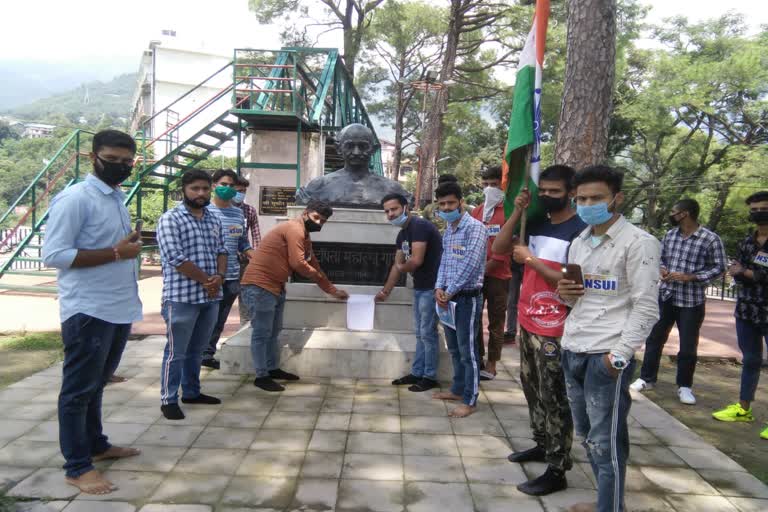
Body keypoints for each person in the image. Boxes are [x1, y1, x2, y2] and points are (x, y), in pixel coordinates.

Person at [42, 129, 143, 494]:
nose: (119, 167)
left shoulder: (114, 196)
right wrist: (117, 253)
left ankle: (96, 445)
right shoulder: (75, 199)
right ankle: (77, 466)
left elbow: (109, 246)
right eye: (111, 160)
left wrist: (124, 247)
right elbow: (54, 255)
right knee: (78, 390)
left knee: (96, 384)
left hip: (116, 307)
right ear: (93, 157)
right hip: (88, 309)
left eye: (126, 162)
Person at [556, 165, 660, 512]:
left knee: (607, 442)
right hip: (572, 348)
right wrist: (565, 293)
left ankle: (610, 508)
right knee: (586, 436)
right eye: (581, 198)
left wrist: (618, 358)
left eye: (596, 198)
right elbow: (576, 300)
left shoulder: (639, 243)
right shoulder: (579, 242)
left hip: (605, 357)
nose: (587, 204)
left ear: (617, 198)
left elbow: (646, 308)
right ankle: (607, 500)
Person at [492, 165, 586, 496]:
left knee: (554, 397)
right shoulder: (536, 223)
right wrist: (517, 211)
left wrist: (530, 260)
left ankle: (558, 468)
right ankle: (542, 443)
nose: (546, 196)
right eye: (542, 190)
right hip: (529, 321)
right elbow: (500, 249)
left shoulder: (581, 231)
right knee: (532, 388)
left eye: (554, 191)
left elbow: (575, 284)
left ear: (571, 192)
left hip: (558, 329)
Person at [241, 199, 349, 391]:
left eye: (323, 221)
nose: (319, 223)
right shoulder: (294, 229)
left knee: (274, 332)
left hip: (276, 287)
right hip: (259, 286)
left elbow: (314, 265)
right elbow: (299, 264)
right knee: (262, 333)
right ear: (306, 213)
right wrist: (316, 275)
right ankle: (261, 375)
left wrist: (333, 291)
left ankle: (272, 368)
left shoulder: (304, 236)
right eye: (316, 218)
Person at [630, 198, 727, 405]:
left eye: (674, 211)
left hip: (691, 301)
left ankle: (684, 386)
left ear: (686, 214)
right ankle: (646, 378)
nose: (671, 214)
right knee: (654, 338)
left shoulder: (709, 239)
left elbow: (719, 267)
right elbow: (660, 258)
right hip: (666, 295)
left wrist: (692, 277)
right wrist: (662, 269)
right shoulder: (670, 235)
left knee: (688, 345)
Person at [157, 169, 227, 420]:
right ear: (184, 189)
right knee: (177, 351)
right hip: (181, 297)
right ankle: (168, 399)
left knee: (198, 350)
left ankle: (192, 391)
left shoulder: (213, 219)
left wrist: (218, 277)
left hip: (210, 297)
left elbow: (222, 250)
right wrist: (207, 281)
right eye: (195, 188)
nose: (201, 193)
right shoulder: (170, 219)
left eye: (205, 189)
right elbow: (175, 258)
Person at [712, 191, 768, 440]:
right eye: (754, 209)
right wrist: (745, 272)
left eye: (762, 208)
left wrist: (746, 272)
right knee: (750, 359)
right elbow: (737, 270)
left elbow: (755, 274)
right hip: (746, 309)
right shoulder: (748, 240)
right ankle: (743, 408)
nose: (757, 213)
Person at [431, 181, 487, 418]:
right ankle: (457, 388)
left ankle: (470, 399)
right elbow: (445, 262)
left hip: (466, 299)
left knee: (468, 351)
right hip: (447, 299)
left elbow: (471, 264)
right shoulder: (449, 230)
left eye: (451, 203)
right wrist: (438, 288)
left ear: (461, 203)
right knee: (453, 348)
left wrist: (449, 291)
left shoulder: (475, 228)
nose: (446, 207)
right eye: (442, 204)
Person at [378, 192, 443, 392]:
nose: (390, 214)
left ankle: (429, 376)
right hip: (420, 287)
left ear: (406, 207)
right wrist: (385, 291)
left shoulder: (420, 227)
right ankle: (417, 372)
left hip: (432, 287)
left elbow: (415, 260)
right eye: (387, 211)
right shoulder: (403, 233)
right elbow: (397, 266)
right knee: (420, 333)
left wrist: (400, 265)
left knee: (428, 334)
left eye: (394, 209)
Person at [201, 169, 254, 369]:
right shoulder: (204, 211)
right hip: (208, 277)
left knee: (219, 320)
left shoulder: (238, 213)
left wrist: (258, 259)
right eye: (223, 184)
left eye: (231, 185)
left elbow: (243, 243)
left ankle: (207, 354)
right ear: (214, 185)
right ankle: (195, 354)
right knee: (204, 318)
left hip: (231, 277)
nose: (228, 188)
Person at [470, 165, 512, 380]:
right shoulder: (478, 211)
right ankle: (477, 357)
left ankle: (492, 363)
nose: (489, 189)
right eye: (485, 185)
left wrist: (481, 270)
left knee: (496, 321)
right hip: (477, 275)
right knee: (474, 318)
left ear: (502, 185)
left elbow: (503, 253)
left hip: (498, 276)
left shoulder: (508, 211)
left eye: (494, 185)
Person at [232, 175, 261, 326]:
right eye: (238, 190)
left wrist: (255, 259)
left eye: (243, 191)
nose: (241, 194)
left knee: (246, 296)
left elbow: (256, 236)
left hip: (244, 260)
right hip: (224, 262)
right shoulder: (217, 210)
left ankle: (245, 328)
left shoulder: (249, 211)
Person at [504, 261, 523, 342]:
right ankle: (511, 332)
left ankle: (527, 332)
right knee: (511, 301)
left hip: (529, 265)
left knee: (513, 301)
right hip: (514, 267)